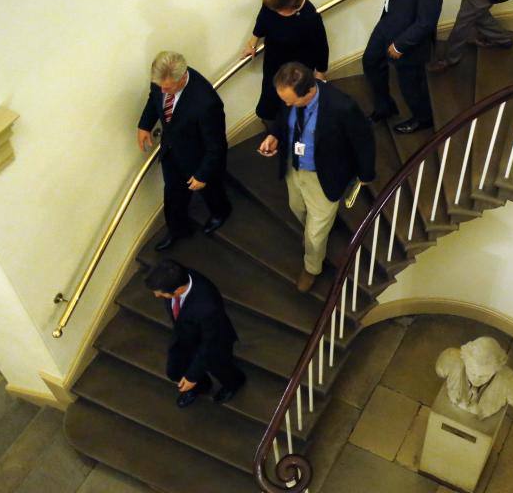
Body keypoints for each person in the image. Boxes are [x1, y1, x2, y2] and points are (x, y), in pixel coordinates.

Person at [257, 62, 376, 290]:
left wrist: (366, 174)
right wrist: (274, 136)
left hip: (325, 175)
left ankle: (312, 267)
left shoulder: (342, 107)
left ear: (309, 91)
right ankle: (315, 234)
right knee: (297, 207)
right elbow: (283, 118)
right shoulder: (289, 100)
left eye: (290, 101)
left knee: (314, 234)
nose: (286, 104)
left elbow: (363, 142)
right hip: (295, 167)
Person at [137, 51, 231, 251]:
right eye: (159, 86)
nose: (162, 90)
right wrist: (144, 125)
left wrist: (202, 174)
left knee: (211, 190)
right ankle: (178, 229)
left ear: (181, 78)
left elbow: (216, 144)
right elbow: (153, 100)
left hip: (199, 156)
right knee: (172, 193)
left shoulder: (206, 102)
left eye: (168, 88)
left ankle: (220, 212)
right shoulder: (160, 81)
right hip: (172, 150)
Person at [362, 0, 447, 134]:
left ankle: (423, 118)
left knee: (411, 85)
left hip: (408, 39)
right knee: (371, 61)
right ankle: (385, 107)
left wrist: (400, 45)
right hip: (389, 21)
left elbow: (426, 21)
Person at [144, 259, 245, 408]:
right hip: (186, 334)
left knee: (220, 367)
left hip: (214, 341)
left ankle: (234, 383)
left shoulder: (207, 305)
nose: (157, 296)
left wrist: (192, 376)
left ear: (177, 291)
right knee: (174, 370)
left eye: (160, 293)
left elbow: (209, 343)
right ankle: (200, 386)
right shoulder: (176, 276)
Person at [241, 0, 329, 133]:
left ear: (290, 3)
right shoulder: (272, 3)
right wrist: (252, 43)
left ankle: (296, 135)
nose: (273, 11)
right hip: (274, 65)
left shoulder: (310, 19)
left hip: (297, 70)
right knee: (268, 107)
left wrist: (321, 74)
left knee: (296, 105)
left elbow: (321, 47)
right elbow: (262, 20)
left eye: (277, 9)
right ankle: (275, 136)